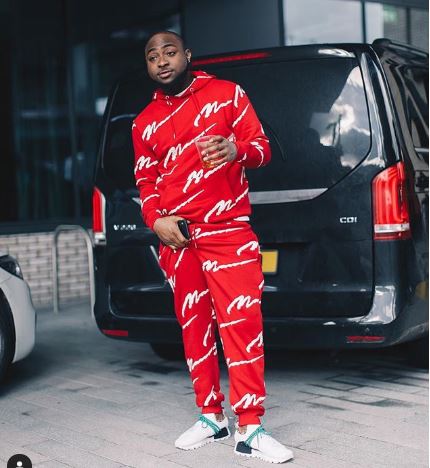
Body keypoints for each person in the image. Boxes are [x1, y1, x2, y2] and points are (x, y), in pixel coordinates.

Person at [132, 30, 294, 464]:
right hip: (178, 237)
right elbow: (145, 181)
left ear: (187, 55)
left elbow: (263, 149)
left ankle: (251, 427)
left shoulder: (227, 94)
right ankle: (210, 416)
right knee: (194, 328)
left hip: (227, 229)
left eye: (170, 52)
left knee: (242, 325)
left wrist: (235, 149)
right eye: (152, 56)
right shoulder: (143, 121)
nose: (162, 61)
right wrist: (155, 221)